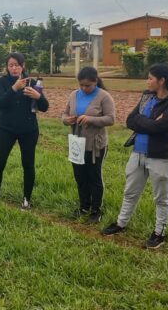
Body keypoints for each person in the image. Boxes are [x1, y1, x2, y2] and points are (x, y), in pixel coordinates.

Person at [102, 63, 168, 248]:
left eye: (150, 78)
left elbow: (161, 127)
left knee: (161, 197)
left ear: (161, 80)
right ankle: (121, 223)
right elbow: (130, 120)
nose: (147, 81)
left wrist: (143, 122)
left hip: (161, 157)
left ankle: (159, 233)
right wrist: (149, 122)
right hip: (138, 153)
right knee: (130, 192)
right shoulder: (147, 96)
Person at [0, 52, 49, 209]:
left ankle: (26, 200)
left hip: (28, 130)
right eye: (11, 65)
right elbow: (0, 103)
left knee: (28, 164)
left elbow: (44, 107)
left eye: (17, 65)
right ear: (7, 67)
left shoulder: (32, 83)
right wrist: (14, 88)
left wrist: (38, 96)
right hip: (6, 129)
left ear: (23, 66)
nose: (14, 68)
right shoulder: (2, 82)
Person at [61, 67, 116, 224]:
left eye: (88, 85)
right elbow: (64, 114)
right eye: (81, 85)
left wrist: (90, 119)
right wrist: (66, 120)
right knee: (80, 176)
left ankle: (96, 210)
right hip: (77, 144)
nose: (84, 88)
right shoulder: (74, 95)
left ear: (95, 81)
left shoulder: (104, 97)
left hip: (95, 146)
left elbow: (111, 119)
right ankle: (84, 206)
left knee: (94, 177)